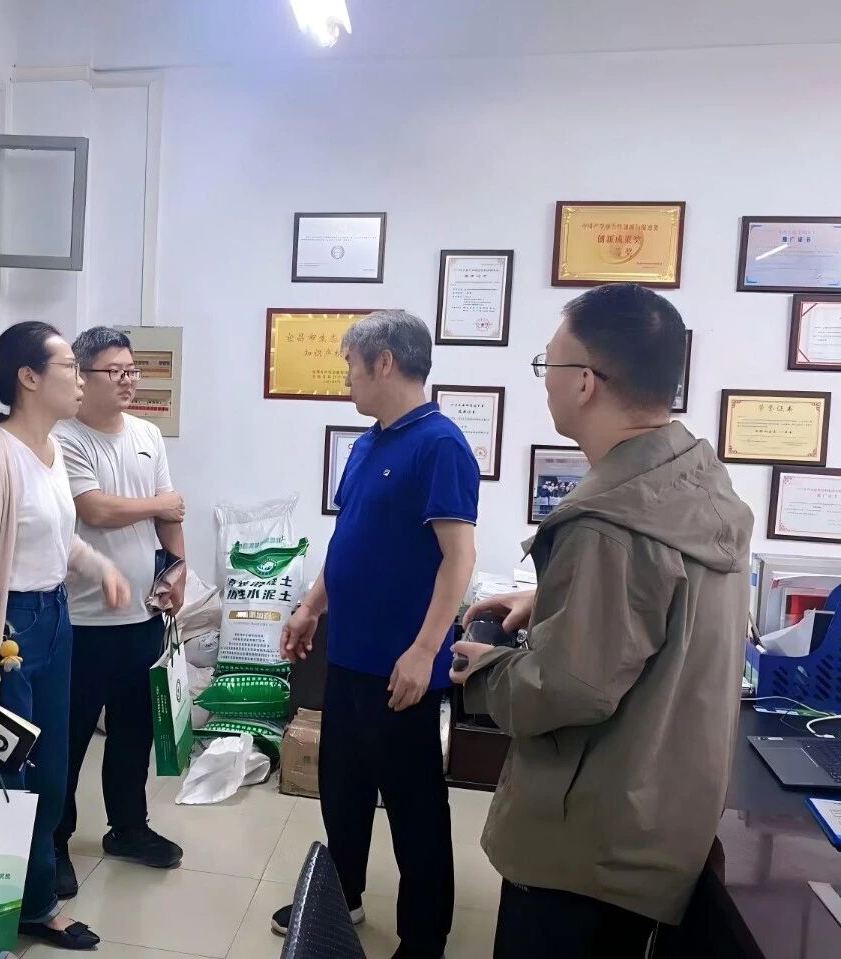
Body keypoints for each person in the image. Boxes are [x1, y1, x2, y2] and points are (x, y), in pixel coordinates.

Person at [451, 283, 754, 959]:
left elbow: (566, 689)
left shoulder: (606, 524)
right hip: (659, 820)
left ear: (584, 382)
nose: (545, 381)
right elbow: (661, 601)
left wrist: (485, 670)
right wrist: (553, 599)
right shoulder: (692, 477)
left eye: (548, 364)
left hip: (587, 851)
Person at [273, 310, 479, 959]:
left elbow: (459, 558)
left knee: (415, 809)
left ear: (384, 362)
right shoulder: (368, 443)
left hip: (403, 670)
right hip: (349, 658)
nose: (347, 380)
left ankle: (424, 938)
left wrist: (424, 651)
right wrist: (311, 607)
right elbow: (349, 539)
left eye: (351, 367)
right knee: (344, 790)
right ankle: (345, 896)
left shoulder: (439, 445)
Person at [0, 321, 132, 958]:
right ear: (28, 377)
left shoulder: (49, 450)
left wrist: (100, 567)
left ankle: (34, 905)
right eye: (69, 368)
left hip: (54, 621)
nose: (80, 380)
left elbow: (57, 536)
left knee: (49, 779)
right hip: (6, 633)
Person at [52, 327, 187, 898]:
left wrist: (178, 570)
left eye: (133, 370)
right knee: (68, 739)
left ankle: (128, 828)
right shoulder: (64, 437)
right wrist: (160, 503)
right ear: (82, 376)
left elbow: (170, 516)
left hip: (142, 617)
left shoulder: (147, 434)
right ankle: (53, 842)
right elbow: (95, 510)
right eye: (116, 371)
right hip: (83, 622)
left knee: (135, 733)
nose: (129, 380)